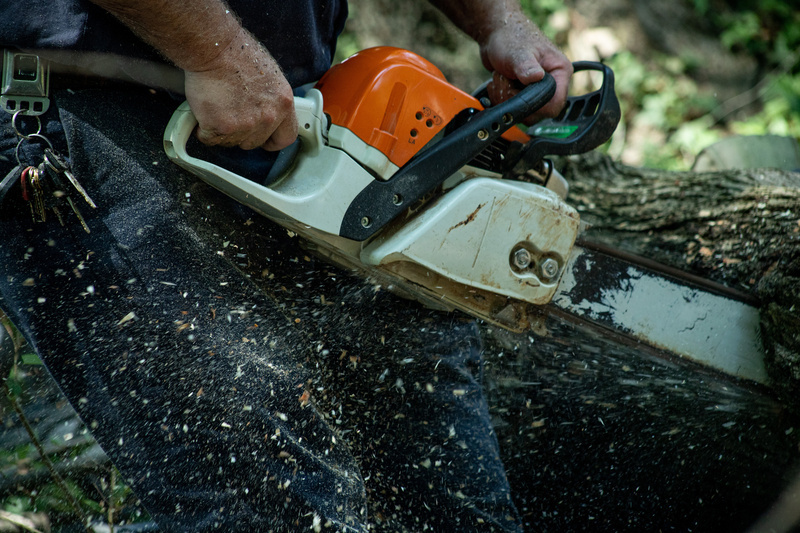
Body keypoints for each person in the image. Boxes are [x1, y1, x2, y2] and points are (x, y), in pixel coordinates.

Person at [0, 1, 572, 531]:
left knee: (445, 490)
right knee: (269, 503)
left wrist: (498, 20)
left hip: (304, 111)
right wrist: (214, 52)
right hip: (89, 111)